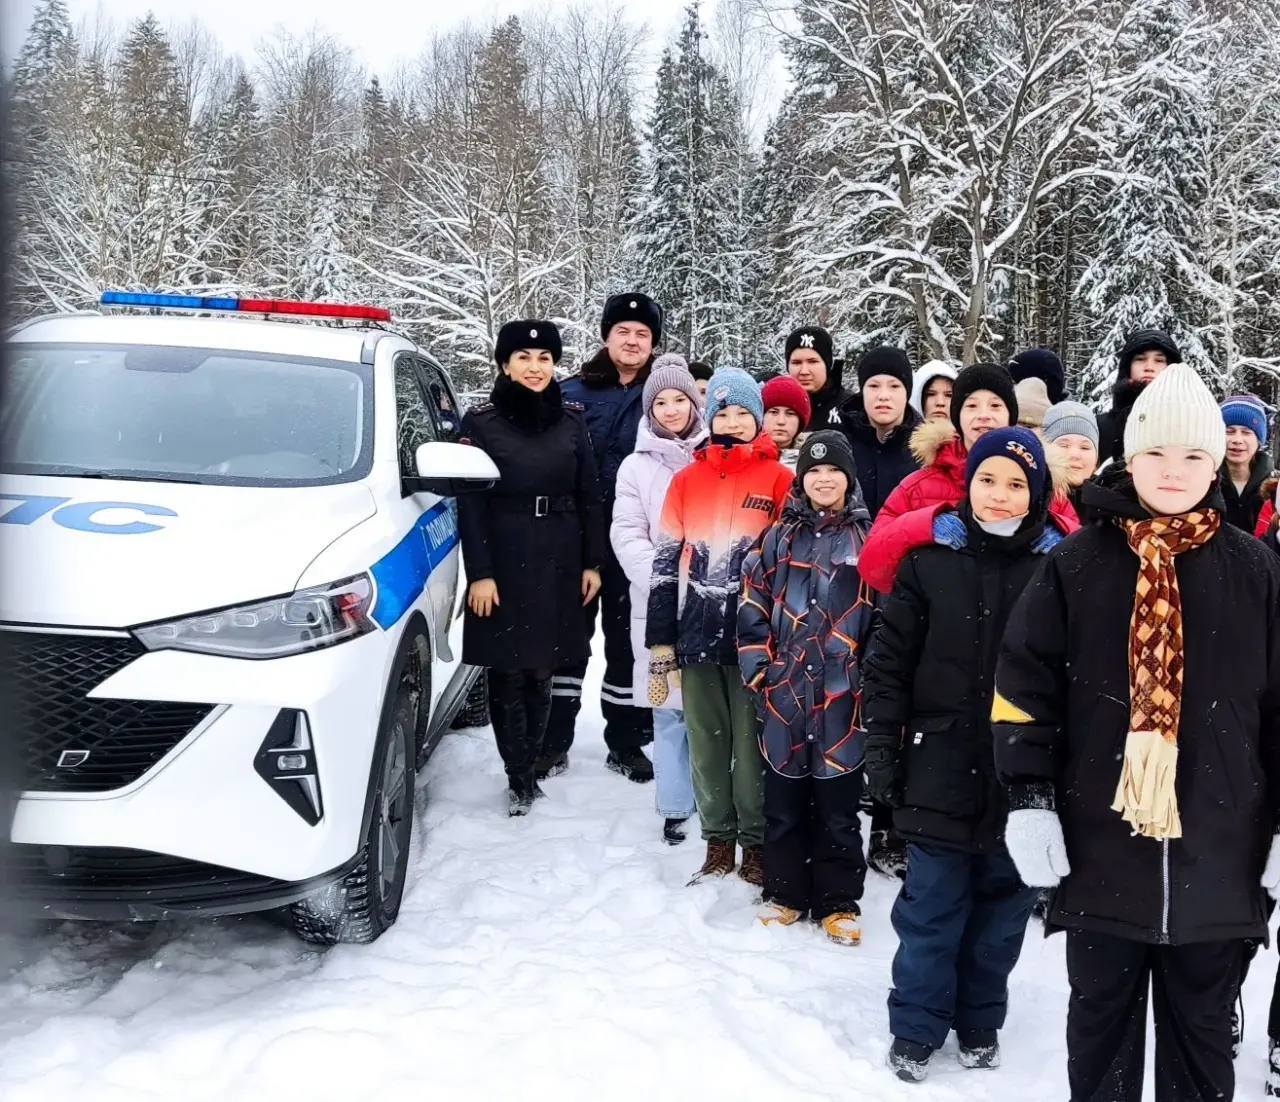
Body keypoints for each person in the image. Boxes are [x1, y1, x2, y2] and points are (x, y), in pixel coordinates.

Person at [991, 363, 1280, 1102]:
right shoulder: (1078, 565)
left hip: (1221, 856)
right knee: (1100, 1032)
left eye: (1193, 455)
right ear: (1131, 455)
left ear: (1218, 461)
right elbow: (1025, 690)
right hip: (1100, 849)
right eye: (1157, 453)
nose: (1174, 471)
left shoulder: (1257, 572)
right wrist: (1029, 796)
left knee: (1203, 1035)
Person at [862, 427, 1065, 1083]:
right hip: (936, 768)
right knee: (929, 914)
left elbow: (1074, 684)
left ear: (1036, 494)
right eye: (988, 480)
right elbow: (887, 669)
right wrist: (883, 753)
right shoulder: (928, 563)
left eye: (1016, 484)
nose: (1000, 496)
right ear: (967, 483)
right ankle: (916, 1026)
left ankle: (980, 1021)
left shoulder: (1057, 571)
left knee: (1001, 917)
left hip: (1020, 779)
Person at [646, 367, 793, 887]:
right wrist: (661, 643)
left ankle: (754, 841)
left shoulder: (779, 480)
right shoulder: (687, 481)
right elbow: (664, 566)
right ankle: (717, 840)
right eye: (722, 413)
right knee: (707, 743)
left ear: (758, 420)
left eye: (742, 414)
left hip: (758, 638)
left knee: (752, 746)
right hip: (697, 632)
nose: (731, 422)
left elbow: (791, 566)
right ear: (709, 420)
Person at [458, 321, 605, 815]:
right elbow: (470, 504)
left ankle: (534, 761)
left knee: (544, 665)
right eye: (523, 357)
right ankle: (516, 776)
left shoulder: (571, 420)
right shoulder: (480, 423)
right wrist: (480, 572)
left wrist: (592, 563)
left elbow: (590, 495)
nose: (535, 367)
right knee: (508, 670)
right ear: (504, 364)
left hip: (560, 555)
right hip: (503, 555)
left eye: (544, 359)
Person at [739, 431, 876, 946]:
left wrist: (869, 674)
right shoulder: (778, 537)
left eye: (834, 470)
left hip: (844, 693)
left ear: (848, 478)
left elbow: (884, 613)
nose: (823, 479)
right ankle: (786, 892)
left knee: (840, 806)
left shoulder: (869, 539)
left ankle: (840, 900)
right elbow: (752, 603)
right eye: (814, 471)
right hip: (786, 690)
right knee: (784, 801)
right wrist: (760, 667)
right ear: (802, 478)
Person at [547, 293, 663, 782]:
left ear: (654, 343)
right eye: (623, 331)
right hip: (574, 537)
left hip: (634, 537)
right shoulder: (571, 392)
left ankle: (627, 741)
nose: (632, 341)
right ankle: (552, 742)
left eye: (643, 334)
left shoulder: (664, 395)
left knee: (628, 642)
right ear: (606, 336)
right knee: (567, 642)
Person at [612, 355, 708, 846]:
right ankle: (674, 803)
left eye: (680, 400)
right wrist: (668, 580)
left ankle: (713, 795)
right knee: (668, 706)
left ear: (696, 404)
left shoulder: (715, 456)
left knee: (711, 705)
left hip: (716, 603)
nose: (671, 410)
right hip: (659, 604)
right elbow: (627, 533)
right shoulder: (635, 467)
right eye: (661, 402)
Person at [845, 346, 922, 518]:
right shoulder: (841, 443)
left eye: (894, 386)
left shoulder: (927, 449)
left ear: (907, 393)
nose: (883, 395)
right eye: (874, 386)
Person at [1095, 329, 1181, 464]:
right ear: (1127, 367)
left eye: (1159, 360)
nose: (1149, 367)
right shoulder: (1100, 427)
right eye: (1140, 359)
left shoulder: (1186, 426)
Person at [1042, 401, 1101, 524]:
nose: (1074, 455)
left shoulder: (1111, 508)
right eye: (1064, 445)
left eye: (1085, 447)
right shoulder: (1032, 500)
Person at [785, 325, 855, 430]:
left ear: (827, 365)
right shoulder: (777, 408)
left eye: (813, 362)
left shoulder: (851, 407)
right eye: (796, 363)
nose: (804, 371)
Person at [1220, 394, 1273, 532]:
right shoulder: (1204, 482)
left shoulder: (1274, 487)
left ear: (1259, 440)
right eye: (1229, 431)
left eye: (1246, 432)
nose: (1237, 439)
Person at [760, 374, 811, 469]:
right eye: (774, 412)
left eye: (790, 414)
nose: (781, 421)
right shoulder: (744, 457)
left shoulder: (812, 458)